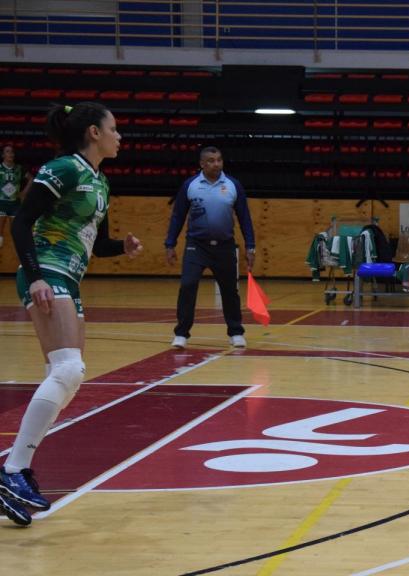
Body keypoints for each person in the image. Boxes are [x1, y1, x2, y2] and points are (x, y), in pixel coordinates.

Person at [1, 102, 143, 527]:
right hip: (47, 270)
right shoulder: (63, 168)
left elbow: (97, 245)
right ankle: (11, 469)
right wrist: (36, 275)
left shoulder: (100, 182)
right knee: (68, 369)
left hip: (70, 277)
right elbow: (21, 223)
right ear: (94, 133)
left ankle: (17, 470)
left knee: (69, 375)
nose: (120, 136)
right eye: (114, 128)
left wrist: (123, 247)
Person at [164, 146, 256, 349]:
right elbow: (178, 216)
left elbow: (245, 218)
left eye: (219, 160)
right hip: (196, 246)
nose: (217, 164)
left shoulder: (233, 185)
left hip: (224, 247)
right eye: (212, 160)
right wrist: (170, 244)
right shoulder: (191, 185)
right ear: (202, 164)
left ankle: (235, 332)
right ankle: (181, 333)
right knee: (188, 285)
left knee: (230, 290)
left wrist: (251, 247)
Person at [0, 143, 30, 248]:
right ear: (3, 155)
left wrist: (24, 192)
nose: (10, 154)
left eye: (12, 152)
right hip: (1, 203)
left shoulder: (19, 168)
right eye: (7, 152)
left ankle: (16, 257)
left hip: (15, 204)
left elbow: (31, 179)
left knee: (15, 231)